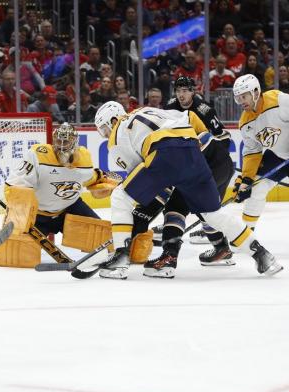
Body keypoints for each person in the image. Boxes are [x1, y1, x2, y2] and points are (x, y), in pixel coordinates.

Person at [92, 102, 283, 279]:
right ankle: (262, 254)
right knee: (212, 214)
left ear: (113, 120)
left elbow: (141, 176)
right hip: (193, 150)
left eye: (104, 128)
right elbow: (188, 116)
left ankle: (119, 260)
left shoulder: (117, 135)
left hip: (164, 153)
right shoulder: (148, 110)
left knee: (120, 196)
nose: (105, 134)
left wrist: (135, 221)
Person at [144, 76, 235, 267]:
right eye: (178, 91)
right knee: (206, 209)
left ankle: (221, 246)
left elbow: (224, 138)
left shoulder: (204, 110)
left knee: (205, 209)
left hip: (211, 164)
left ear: (193, 91)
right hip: (192, 165)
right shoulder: (170, 107)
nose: (181, 95)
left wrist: (209, 154)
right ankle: (221, 247)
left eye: (185, 90)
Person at [5, 123, 112, 236]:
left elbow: (87, 178)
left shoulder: (84, 158)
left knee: (103, 235)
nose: (61, 146)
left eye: (65, 142)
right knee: (22, 249)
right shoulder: (39, 155)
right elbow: (16, 184)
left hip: (69, 209)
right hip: (37, 215)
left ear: (74, 142)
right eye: (58, 141)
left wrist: (99, 178)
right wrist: (18, 209)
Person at [232, 74, 289, 231]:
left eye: (244, 96)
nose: (241, 101)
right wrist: (246, 180)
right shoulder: (245, 122)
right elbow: (252, 152)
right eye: (238, 98)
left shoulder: (278, 100)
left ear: (256, 92)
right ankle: (246, 234)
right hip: (277, 156)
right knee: (256, 188)